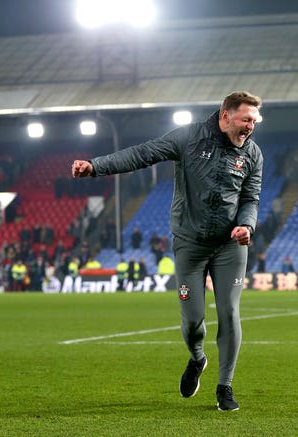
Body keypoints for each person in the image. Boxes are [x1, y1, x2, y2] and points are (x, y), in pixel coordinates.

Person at [72, 91, 263, 411]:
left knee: (229, 312)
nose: (250, 127)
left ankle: (225, 386)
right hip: (190, 243)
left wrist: (247, 225)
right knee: (192, 322)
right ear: (225, 115)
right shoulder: (189, 137)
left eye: (254, 121)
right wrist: (95, 167)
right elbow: (143, 154)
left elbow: (251, 198)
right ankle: (197, 358)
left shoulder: (253, 154)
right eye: (245, 119)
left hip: (229, 244)